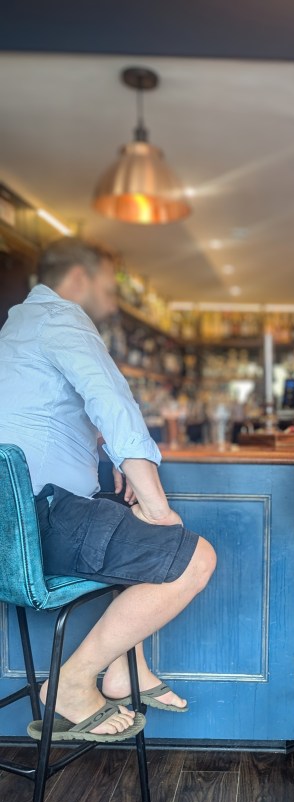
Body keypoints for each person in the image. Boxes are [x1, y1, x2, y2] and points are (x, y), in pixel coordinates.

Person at [0, 238, 216, 740]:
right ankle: (71, 683)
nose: (114, 298)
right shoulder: (62, 318)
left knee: (121, 514)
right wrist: (158, 507)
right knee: (194, 559)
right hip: (39, 521)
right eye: (108, 284)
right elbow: (114, 404)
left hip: (12, 532)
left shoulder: (17, 325)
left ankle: (127, 667)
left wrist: (105, 455)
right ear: (79, 278)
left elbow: (39, 419)